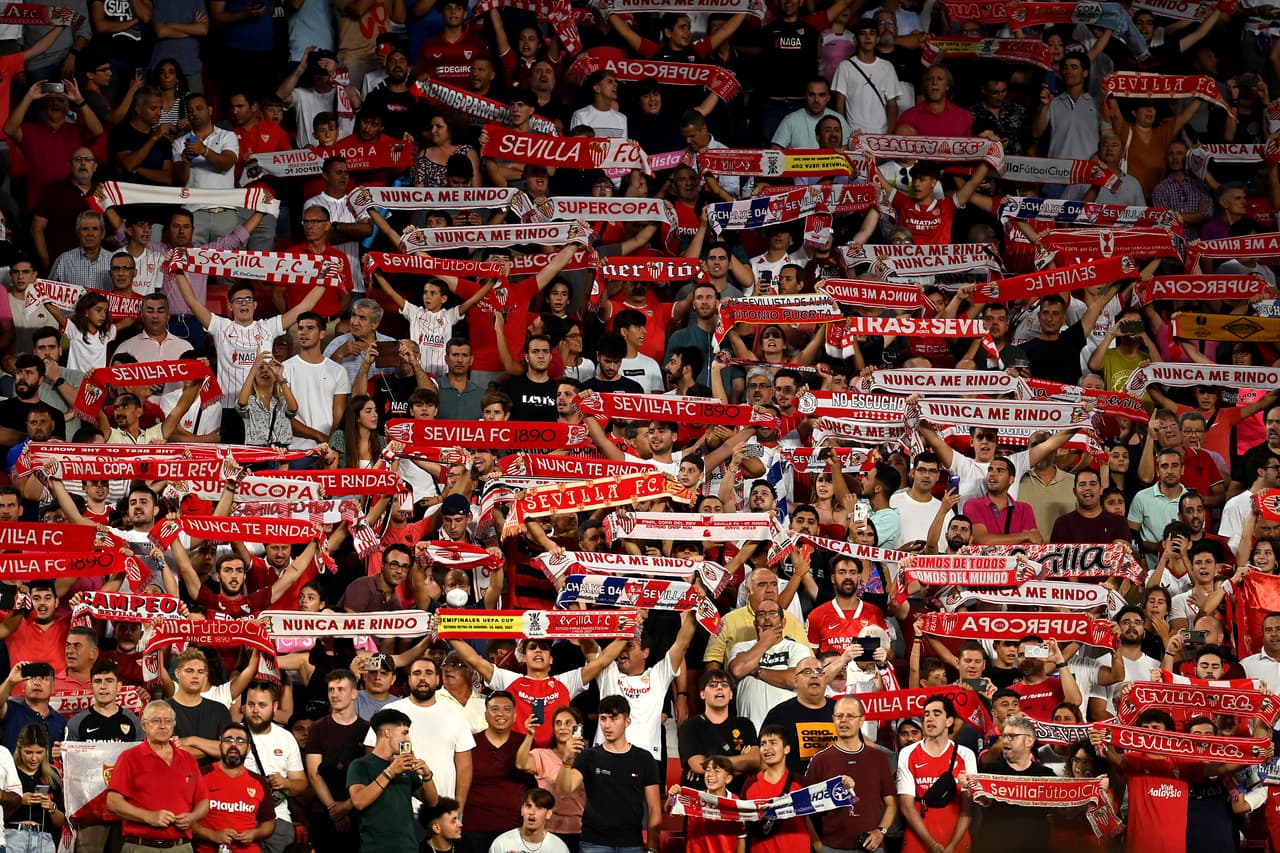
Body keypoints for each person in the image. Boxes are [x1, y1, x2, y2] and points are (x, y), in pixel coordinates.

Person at [558, 695, 662, 853]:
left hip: (631, 843)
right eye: (603, 718)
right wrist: (567, 761)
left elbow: (654, 808)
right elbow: (564, 791)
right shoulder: (589, 756)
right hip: (593, 842)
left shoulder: (644, 758)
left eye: (613, 718)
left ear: (627, 721)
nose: (607, 725)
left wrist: (653, 847)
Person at [106, 700, 210, 851]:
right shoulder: (130, 757)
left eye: (168, 721)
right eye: (155, 721)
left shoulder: (188, 759)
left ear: (173, 725)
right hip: (141, 846)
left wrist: (192, 818)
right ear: (144, 725)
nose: (162, 726)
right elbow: (113, 801)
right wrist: (148, 816)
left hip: (181, 847)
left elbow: (203, 801)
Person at [806, 696, 896, 851]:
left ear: (861, 721)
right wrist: (816, 843)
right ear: (833, 720)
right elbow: (806, 808)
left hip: (872, 847)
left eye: (850, 716)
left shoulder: (879, 758)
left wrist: (881, 831)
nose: (844, 720)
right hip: (832, 848)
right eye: (839, 716)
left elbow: (891, 804)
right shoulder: (820, 760)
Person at [347, 707, 437, 853]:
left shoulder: (405, 766)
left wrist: (427, 776)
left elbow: (432, 802)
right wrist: (390, 772)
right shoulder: (360, 765)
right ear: (388, 733)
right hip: (375, 849)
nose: (408, 739)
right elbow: (358, 802)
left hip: (408, 848)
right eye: (404, 733)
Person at [896, 696, 975, 853]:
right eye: (926, 714)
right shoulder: (907, 753)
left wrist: (952, 846)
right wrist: (931, 844)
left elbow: (968, 810)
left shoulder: (966, 755)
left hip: (957, 840)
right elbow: (906, 807)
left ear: (949, 721)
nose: (929, 718)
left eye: (936, 713)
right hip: (918, 841)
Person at [968, 714, 1055, 852]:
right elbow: (982, 803)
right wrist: (970, 787)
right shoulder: (991, 772)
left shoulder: (1046, 776)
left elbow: (1063, 812)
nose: (1005, 741)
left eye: (1012, 736)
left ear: (1029, 741)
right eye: (1004, 736)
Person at [304, 669, 368, 853]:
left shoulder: (367, 729)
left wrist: (346, 808)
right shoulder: (317, 728)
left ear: (354, 693)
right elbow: (313, 774)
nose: (335, 694)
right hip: (323, 812)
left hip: (358, 812)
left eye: (341, 689)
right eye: (331, 689)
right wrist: (335, 811)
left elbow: (368, 775)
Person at [239, 683, 305, 853]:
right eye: (251, 704)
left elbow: (301, 784)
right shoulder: (234, 735)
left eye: (262, 705)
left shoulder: (286, 738)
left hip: (279, 819)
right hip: (240, 818)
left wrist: (285, 783)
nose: (255, 710)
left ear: (275, 707)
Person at [192, 721, 275, 853]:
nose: (233, 745)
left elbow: (269, 823)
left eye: (240, 741)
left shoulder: (259, 782)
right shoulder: (201, 776)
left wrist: (255, 834)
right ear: (220, 745)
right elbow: (187, 819)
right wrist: (213, 835)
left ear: (248, 749)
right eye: (228, 740)